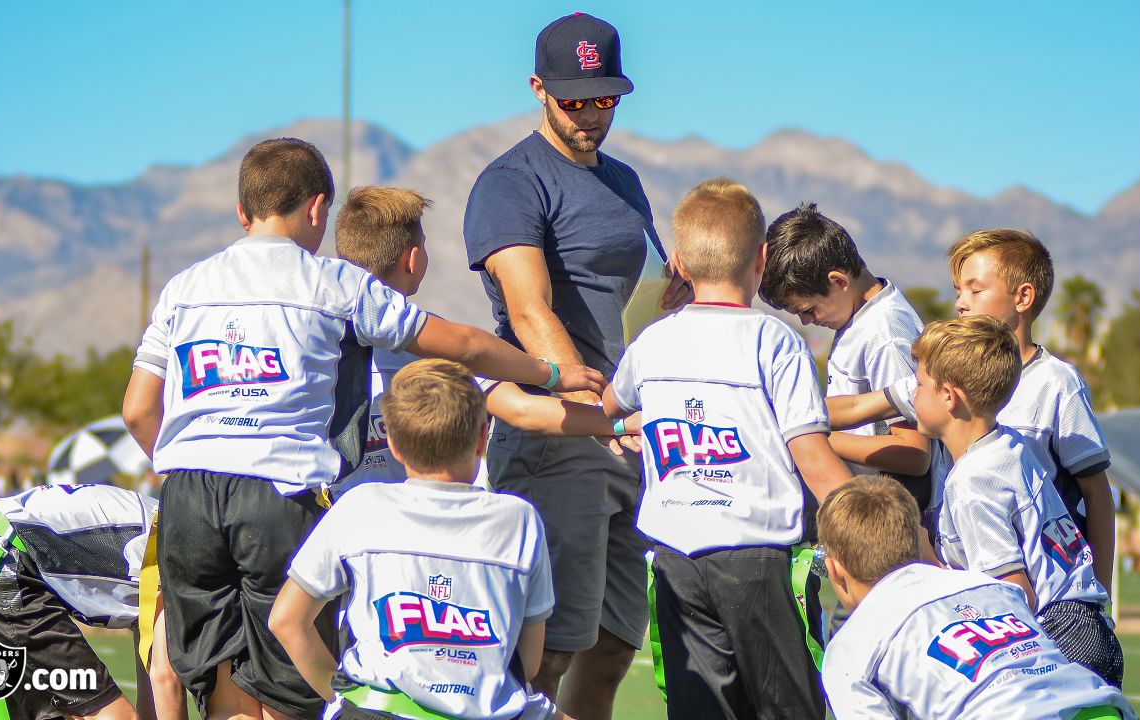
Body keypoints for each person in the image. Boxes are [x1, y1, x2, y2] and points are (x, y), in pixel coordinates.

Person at [122, 138, 604, 720]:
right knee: (286, 686)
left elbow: (137, 411)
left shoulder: (184, 287)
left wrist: (189, 466)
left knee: (222, 680)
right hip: (279, 493)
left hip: (189, 496)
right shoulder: (330, 282)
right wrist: (551, 370)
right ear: (319, 209)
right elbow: (469, 346)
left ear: (242, 210)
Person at [462, 13, 688, 716]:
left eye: (605, 99)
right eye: (574, 100)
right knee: (548, 650)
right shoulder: (510, 182)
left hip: (627, 436)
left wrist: (669, 297)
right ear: (538, 89)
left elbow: (631, 290)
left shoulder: (623, 181)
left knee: (617, 640)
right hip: (558, 439)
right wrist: (592, 412)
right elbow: (530, 312)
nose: (591, 115)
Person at [603, 179, 851, 719]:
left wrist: (635, 423)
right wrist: (878, 537)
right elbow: (812, 457)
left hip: (675, 559)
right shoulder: (775, 339)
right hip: (758, 554)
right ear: (762, 259)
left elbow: (609, 406)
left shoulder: (654, 341)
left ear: (679, 265)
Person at [271, 359, 570, 720]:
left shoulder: (360, 506)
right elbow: (530, 662)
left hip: (374, 710)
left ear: (393, 444)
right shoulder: (519, 518)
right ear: (481, 438)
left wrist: (339, 698)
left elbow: (286, 620)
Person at [827, 229, 1117, 592]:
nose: (960, 303)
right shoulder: (942, 377)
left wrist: (1100, 592)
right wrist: (794, 419)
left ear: (1023, 297)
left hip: (1037, 595)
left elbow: (1097, 493)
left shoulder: (1057, 383)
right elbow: (854, 406)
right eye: (957, 291)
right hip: (968, 582)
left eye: (975, 290)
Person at [328, 186, 640, 499]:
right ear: (412, 259)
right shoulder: (439, 342)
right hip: (422, 518)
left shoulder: (320, 338)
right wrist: (615, 422)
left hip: (335, 517)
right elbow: (523, 410)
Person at [909, 315, 1124, 686]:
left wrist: (928, 561)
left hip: (1055, 639)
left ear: (949, 397)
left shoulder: (973, 483)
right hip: (1089, 626)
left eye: (919, 384)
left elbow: (1012, 595)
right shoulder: (1009, 444)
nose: (912, 394)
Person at [818, 475, 1135, 720]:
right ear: (918, 543)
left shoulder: (850, 645)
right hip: (1100, 706)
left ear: (834, 570)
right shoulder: (990, 587)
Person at [0, 483, 179, 720]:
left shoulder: (169, 530)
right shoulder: (179, 554)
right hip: (2, 571)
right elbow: (165, 679)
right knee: (117, 716)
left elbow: (154, 689)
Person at [758, 202, 932, 508]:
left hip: (890, 519)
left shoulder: (885, 336)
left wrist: (812, 438)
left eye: (808, 309)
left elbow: (915, 454)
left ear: (838, 281)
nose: (807, 321)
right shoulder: (859, 317)